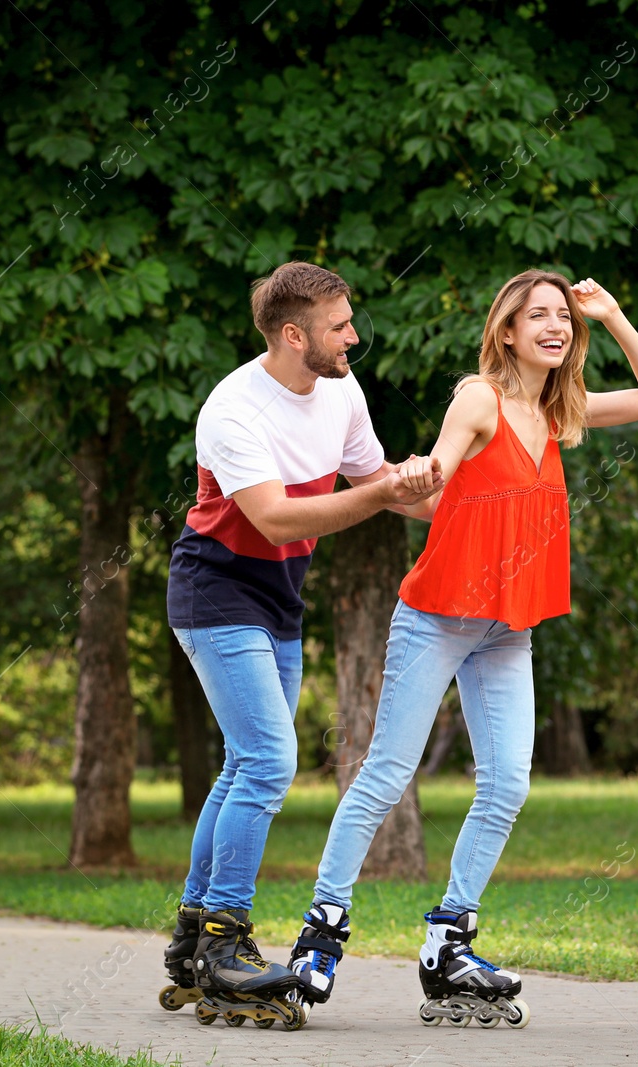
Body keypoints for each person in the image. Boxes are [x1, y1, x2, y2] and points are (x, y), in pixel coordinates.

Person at [287, 269, 638, 1027]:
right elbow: (440, 467)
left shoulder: (561, 412)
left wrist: (616, 314)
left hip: (507, 626)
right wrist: (417, 475)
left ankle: (449, 939)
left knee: (506, 784)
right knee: (385, 774)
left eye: (563, 316)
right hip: (437, 615)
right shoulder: (481, 397)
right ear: (506, 331)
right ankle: (321, 930)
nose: (554, 325)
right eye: (537, 315)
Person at [159, 261, 442, 1028]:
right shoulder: (233, 408)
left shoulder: (343, 392)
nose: (354, 336)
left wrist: (459, 507)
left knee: (243, 765)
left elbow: (378, 478)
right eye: (339, 325)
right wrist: (384, 493)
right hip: (216, 590)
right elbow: (277, 519)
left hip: (278, 598)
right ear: (294, 334)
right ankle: (225, 939)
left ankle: (191, 936)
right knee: (269, 759)